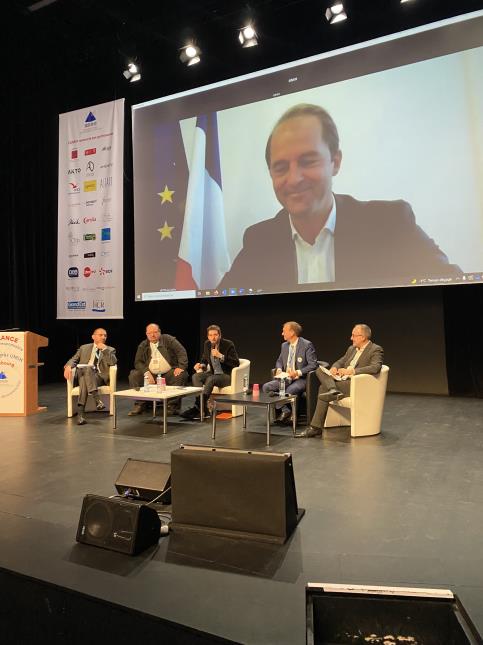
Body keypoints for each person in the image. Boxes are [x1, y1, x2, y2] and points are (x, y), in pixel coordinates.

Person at [219, 103, 460, 291]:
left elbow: (455, 286)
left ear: (335, 162)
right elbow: (220, 307)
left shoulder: (390, 223)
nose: (293, 179)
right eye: (281, 167)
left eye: (307, 161)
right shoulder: (259, 240)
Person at [297, 323, 383, 438]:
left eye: (353, 335)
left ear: (363, 337)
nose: (351, 338)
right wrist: (334, 368)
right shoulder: (351, 349)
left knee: (323, 388)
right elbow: (340, 361)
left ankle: (315, 427)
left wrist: (351, 371)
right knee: (319, 369)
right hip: (342, 380)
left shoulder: (375, 349)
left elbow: (375, 367)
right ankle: (332, 389)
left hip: (356, 384)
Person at [262, 321, 318, 424]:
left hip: (301, 378)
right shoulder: (284, 346)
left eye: (284, 331)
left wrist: (297, 372)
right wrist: (279, 369)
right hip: (286, 377)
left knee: (289, 390)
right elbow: (279, 361)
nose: (282, 334)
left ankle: (293, 415)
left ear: (292, 332)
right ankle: (285, 410)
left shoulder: (306, 345)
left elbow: (313, 365)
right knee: (266, 387)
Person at [181, 325, 240, 420]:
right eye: (210, 335)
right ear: (208, 336)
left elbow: (236, 363)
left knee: (211, 379)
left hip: (226, 376)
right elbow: (204, 359)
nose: (213, 337)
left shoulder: (228, 344)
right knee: (196, 376)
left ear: (220, 335)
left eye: (215, 335)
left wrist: (221, 356)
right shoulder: (207, 344)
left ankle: (198, 407)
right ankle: (203, 409)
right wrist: (202, 365)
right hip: (213, 374)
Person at [128, 323, 188, 415]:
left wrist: (181, 367)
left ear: (159, 332)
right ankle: (140, 404)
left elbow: (181, 352)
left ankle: (172, 406)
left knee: (181, 375)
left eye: (155, 332)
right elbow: (138, 362)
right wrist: (146, 372)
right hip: (151, 375)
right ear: (146, 334)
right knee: (134, 375)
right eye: (149, 333)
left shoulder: (168, 339)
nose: (152, 335)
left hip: (167, 373)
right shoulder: (143, 345)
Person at [63, 328, 117, 426]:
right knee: (86, 371)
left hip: (99, 377)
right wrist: (68, 366)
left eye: (105, 335)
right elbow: (73, 359)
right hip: (84, 374)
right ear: (93, 337)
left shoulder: (110, 349)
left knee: (85, 376)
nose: (103, 337)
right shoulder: (84, 347)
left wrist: (104, 350)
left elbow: (113, 362)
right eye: (100, 335)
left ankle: (80, 415)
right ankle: (97, 400)